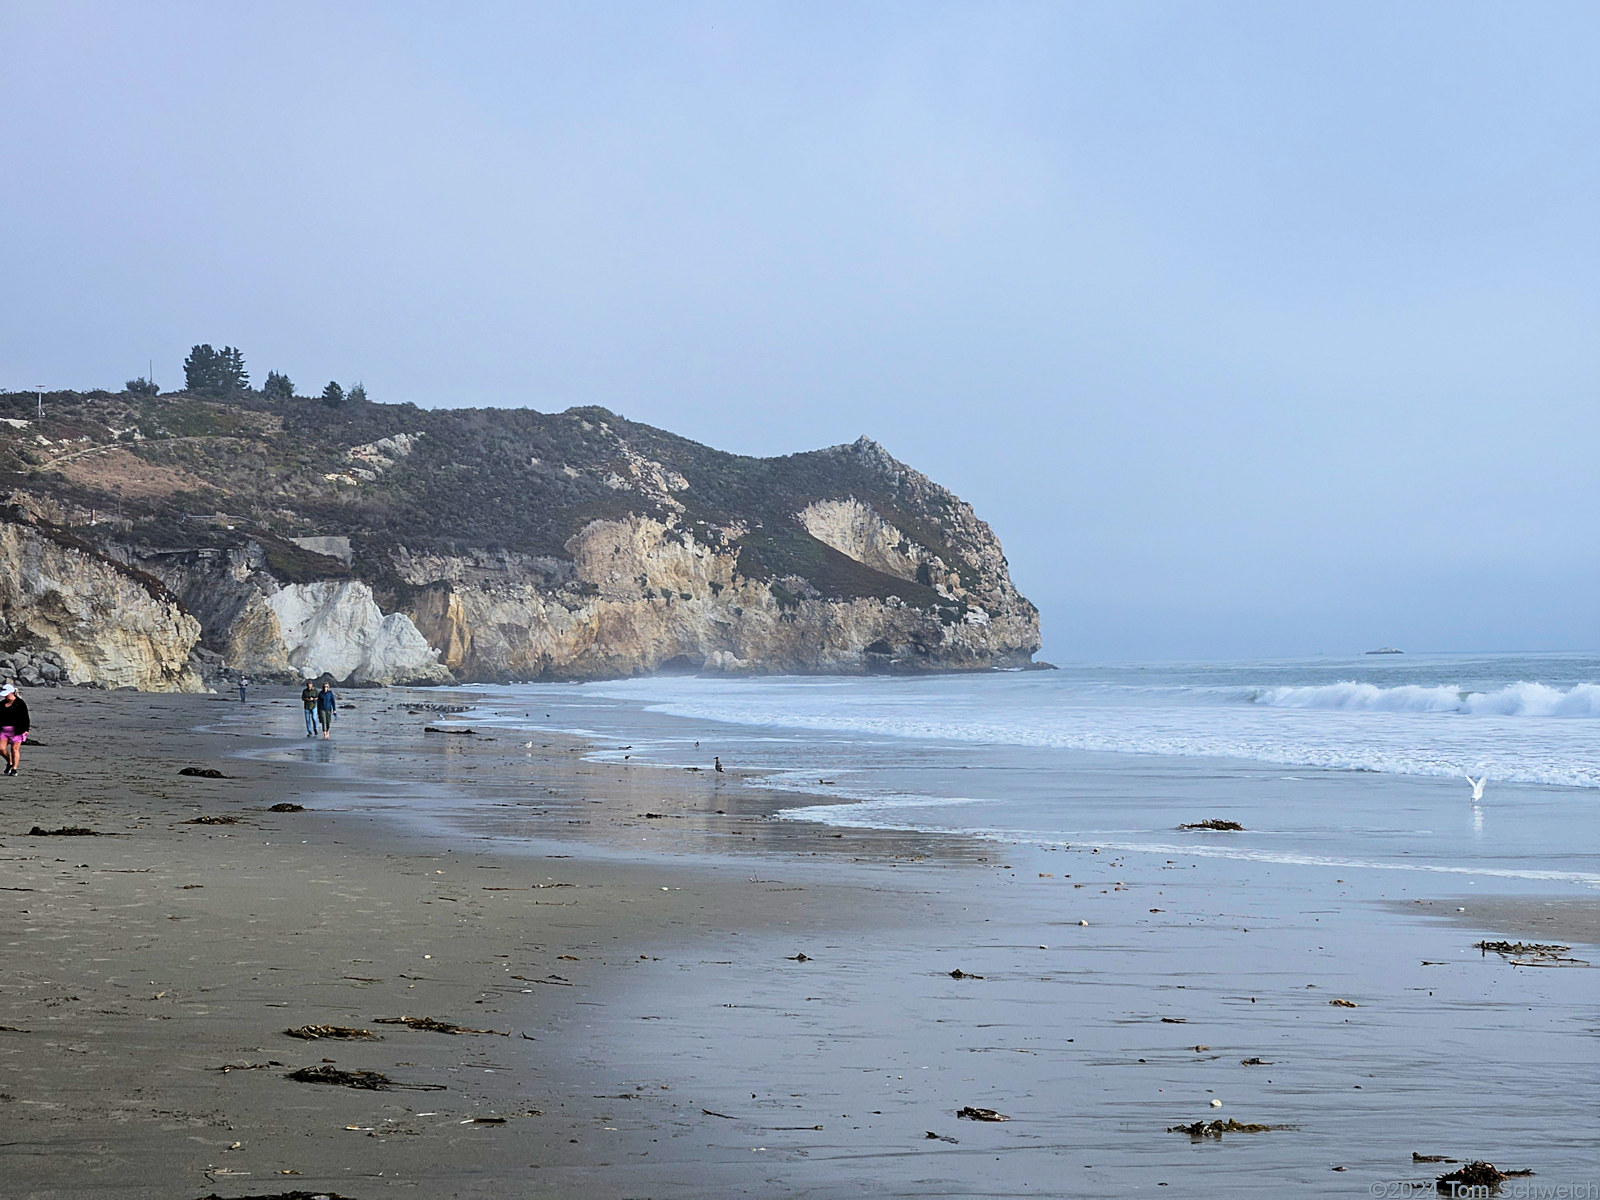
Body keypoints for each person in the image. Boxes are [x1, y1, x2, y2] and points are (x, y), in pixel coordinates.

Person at [0, 683, 30, 777]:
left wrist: (26, 729)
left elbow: (25, 717)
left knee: (14, 749)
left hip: (17, 730)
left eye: (6, 694)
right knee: (1, 748)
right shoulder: (2, 704)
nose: (5, 696)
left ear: (12, 692)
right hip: (4, 730)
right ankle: (9, 762)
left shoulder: (20, 703)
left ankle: (14, 769)